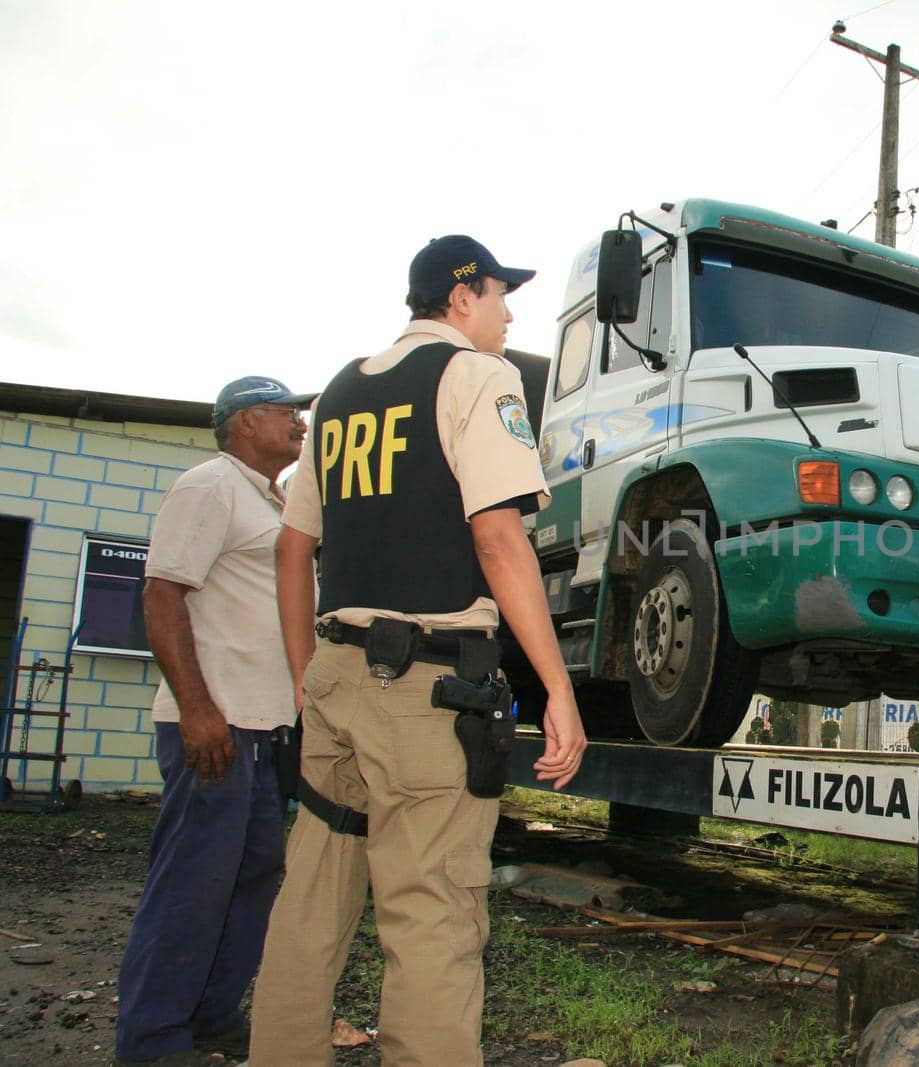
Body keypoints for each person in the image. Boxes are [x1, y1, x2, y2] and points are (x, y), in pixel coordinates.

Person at [249, 235, 586, 1067]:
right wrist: (556, 689)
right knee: (432, 915)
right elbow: (499, 538)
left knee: (310, 908)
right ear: (462, 295)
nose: (511, 315)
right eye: (504, 295)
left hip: (335, 677)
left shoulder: (336, 394)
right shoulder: (476, 376)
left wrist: (307, 675)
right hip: (428, 693)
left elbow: (294, 550)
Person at [115, 376, 314, 1067]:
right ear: (246, 420)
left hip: (260, 731)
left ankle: (210, 1013)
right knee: (193, 882)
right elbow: (163, 594)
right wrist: (198, 708)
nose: (298, 420)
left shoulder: (275, 500)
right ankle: (150, 1037)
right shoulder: (210, 486)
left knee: (253, 875)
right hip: (214, 726)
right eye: (287, 411)